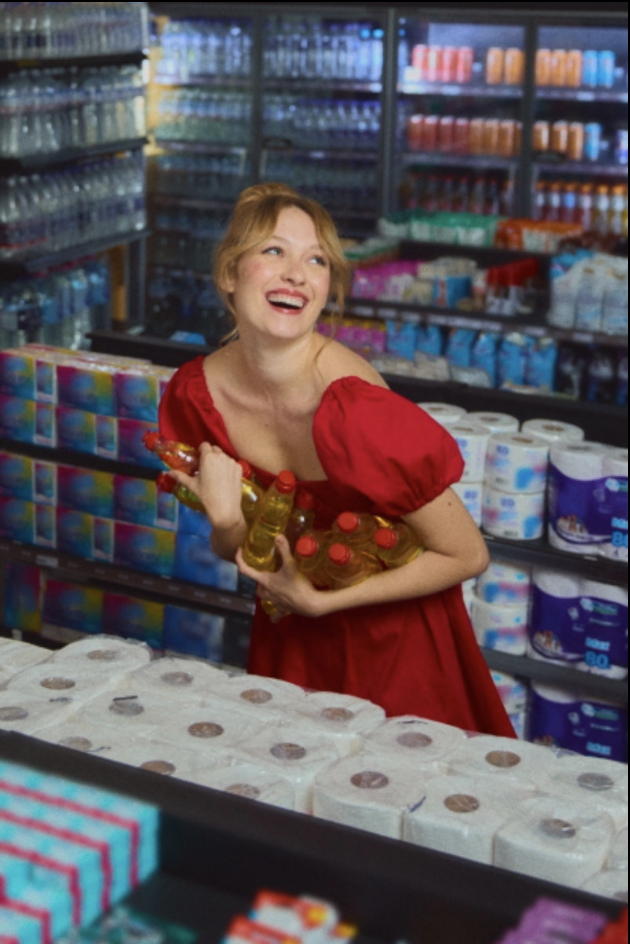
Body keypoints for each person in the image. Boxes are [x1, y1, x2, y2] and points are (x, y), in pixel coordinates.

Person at [159, 182, 515, 737]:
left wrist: (323, 604)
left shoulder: (355, 409)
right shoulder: (197, 397)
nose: (297, 273)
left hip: (396, 640)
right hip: (289, 631)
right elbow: (244, 544)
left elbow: (467, 554)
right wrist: (228, 525)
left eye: (316, 259)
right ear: (229, 273)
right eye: (274, 251)